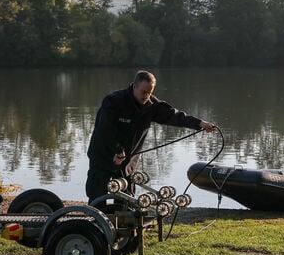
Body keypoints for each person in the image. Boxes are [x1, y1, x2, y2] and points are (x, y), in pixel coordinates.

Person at [86, 70, 216, 206]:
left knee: (125, 199)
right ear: (134, 86)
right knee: (97, 196)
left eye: (150, 92)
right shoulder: (113, 101)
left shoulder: (151, 105)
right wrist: (118, 150)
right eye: (143, 92)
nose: (146, 96)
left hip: (128, 160)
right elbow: (104, 130)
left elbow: (175, 116)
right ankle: (94, 225)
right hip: (102, 155)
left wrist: (200, 123)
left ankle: (122, 225)